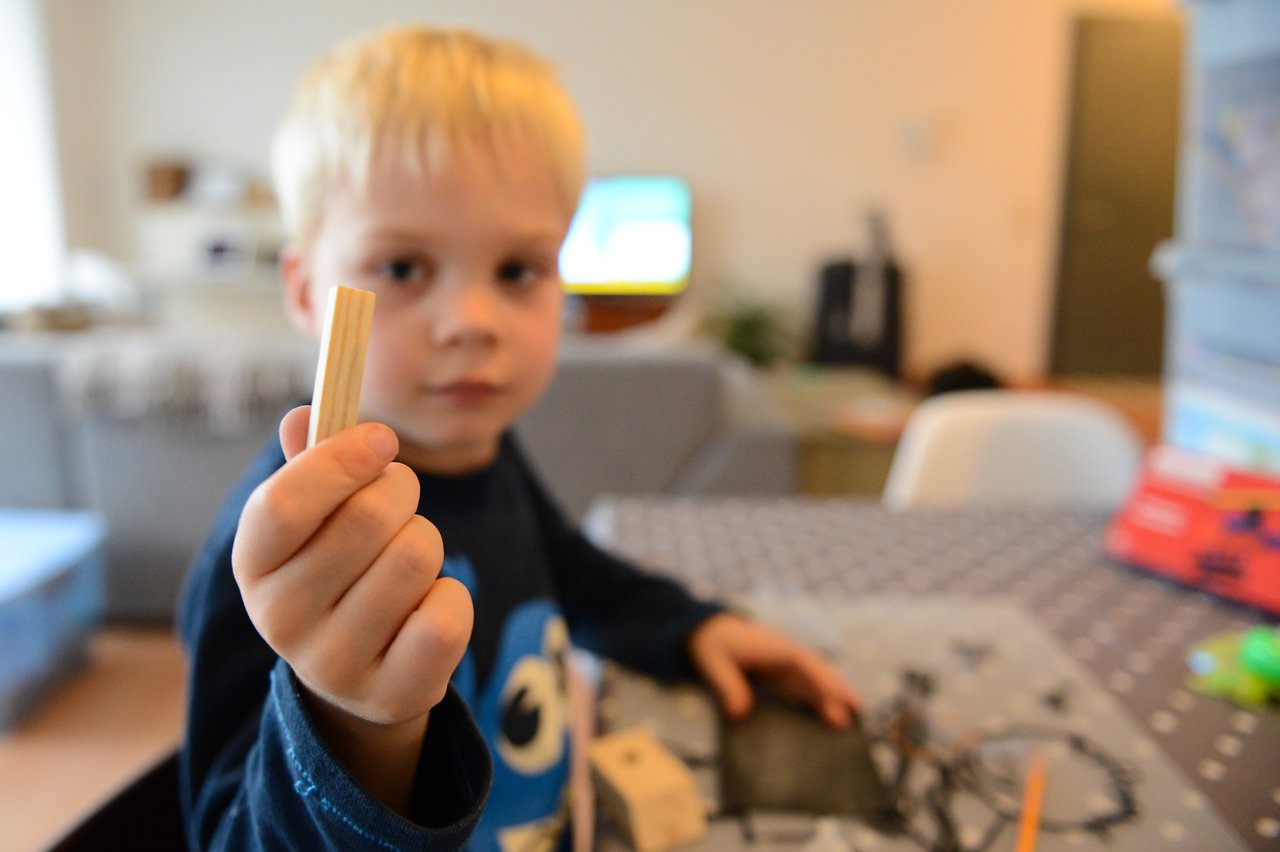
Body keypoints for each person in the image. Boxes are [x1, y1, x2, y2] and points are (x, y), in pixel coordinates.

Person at [178, 26, 860, 851]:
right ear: (304, 291)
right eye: (401, 268)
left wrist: (694, 628)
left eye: (518, 270)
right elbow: (228, 835)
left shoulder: (485, 452)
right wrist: (352, 723)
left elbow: (573, 575)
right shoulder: (283, 557)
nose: (472, 323)